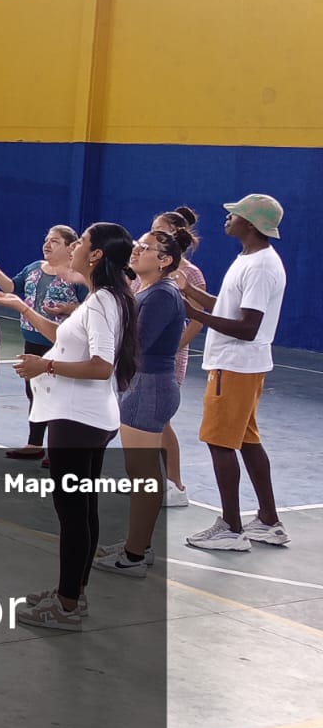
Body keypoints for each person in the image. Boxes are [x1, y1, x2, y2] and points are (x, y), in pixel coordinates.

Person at [8, 223, 140, 632]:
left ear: (96, 255)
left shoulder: (101, 303)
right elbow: (67, 338)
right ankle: (73, 592)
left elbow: (101, 366)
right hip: (88, 417)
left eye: (81, 242)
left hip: (78, 419)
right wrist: (25, 310)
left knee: (72, 514)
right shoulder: (104, 298)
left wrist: (43, 365)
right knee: (83, 509)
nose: (76, 246)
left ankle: (66, 605)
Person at [177, 194, 289, 552]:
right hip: (240, 366)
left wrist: (195, 315)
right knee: (247, 440)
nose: (228, 218)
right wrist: (190, 292)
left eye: (235, 214)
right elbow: (229, 308)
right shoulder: (249, 259)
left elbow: (248, 327)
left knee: (220, 442)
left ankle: (230, 527)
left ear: (251, 224)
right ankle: (268, 520)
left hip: (235, 365)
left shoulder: (261, 267)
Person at [93, 228, 188, 577]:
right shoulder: (147, 289)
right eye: (137, 245)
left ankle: (133, 556)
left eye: (145, 248)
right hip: (142, 385)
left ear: (164, 260)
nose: (136, 250)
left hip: (149, 388)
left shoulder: (162, 294)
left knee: (143, 474)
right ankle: (139, 544)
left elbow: (138, 341)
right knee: (140, 473)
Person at [0, 226, 85, 460]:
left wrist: (69, 308)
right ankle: (34, 443)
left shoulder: (76, 276)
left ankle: (59, 449)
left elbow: (88, 307)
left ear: (70, 247)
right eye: (46, 240)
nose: (47, 244)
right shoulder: (34, 268)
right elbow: (11, 287)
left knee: (58, 393)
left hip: (60, 342)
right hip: (32, 340)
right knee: (34, 391)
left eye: (55, 241)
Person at [151, 206, 204, 507]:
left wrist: (173, 347)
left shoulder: (190, 273)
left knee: (161, 419)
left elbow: (197, 318)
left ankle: (175, 485)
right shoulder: (149, 266)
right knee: (144, 419)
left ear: (174, 233)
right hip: (144, 351)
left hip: (168, 355)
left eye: (159, 229)